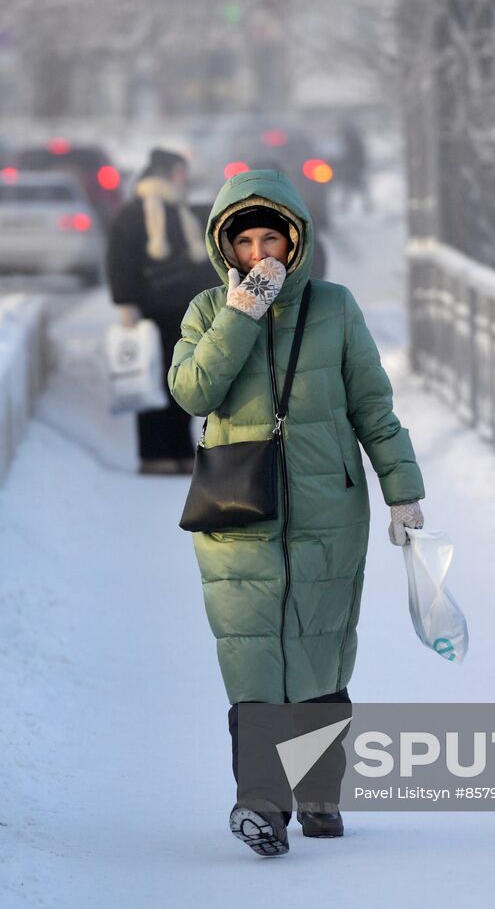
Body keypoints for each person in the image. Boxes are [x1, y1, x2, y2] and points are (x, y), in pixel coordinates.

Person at [168, 169, 426, 857]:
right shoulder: (204, 312)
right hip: (239, 509)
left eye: (271, 241)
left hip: (326, 507)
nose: (260, 257)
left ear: (295, 242)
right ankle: (261, 802)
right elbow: (193, 391)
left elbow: (373, 407)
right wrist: (240, 315)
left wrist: (402, 490)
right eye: (245, 243)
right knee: (253, 658)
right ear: (227, 250)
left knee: (317, 651)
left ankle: (317, 792)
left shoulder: (335, 308)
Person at [106, 148, 215, 474]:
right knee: (151, 382)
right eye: (181, 170)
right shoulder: (137, 212)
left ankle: (180, 451)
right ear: (168, 172)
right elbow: (120, 261)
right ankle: (155, 455)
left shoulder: (180, 209)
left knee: (181, 382)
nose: (185, 176)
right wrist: (126, 304)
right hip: (152, 313)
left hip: (185, 313)